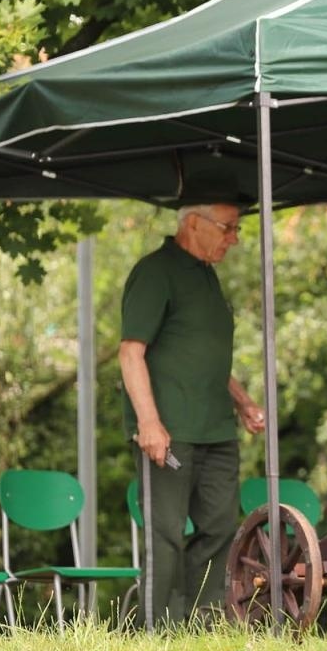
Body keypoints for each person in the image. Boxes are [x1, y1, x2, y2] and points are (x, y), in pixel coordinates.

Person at [119, 203, 266, 624]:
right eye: (228, 228)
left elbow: (202, 357)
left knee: (220, 529)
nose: (234, 238)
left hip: (217, 430)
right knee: (165, 535)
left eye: (237, 229)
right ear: (194, 222)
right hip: (168, 432)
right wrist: (148, 422)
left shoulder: (207, 276)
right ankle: (158, 632)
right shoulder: (155, 271)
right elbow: (130, 352)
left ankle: (204, 625)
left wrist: (244, 402)